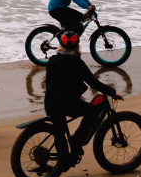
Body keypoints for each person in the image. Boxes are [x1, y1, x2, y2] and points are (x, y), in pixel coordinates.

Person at [43, 30, 118, 166]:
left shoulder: (52, 60)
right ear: (77, 46)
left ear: (61, 45)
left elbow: (48, 83)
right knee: (92, 112)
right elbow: (93, 83)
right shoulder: (77, 63)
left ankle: (61, 162)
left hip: (50, 103)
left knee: (60, 130)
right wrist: (112, 92)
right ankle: (76, 140)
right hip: (66, 104)